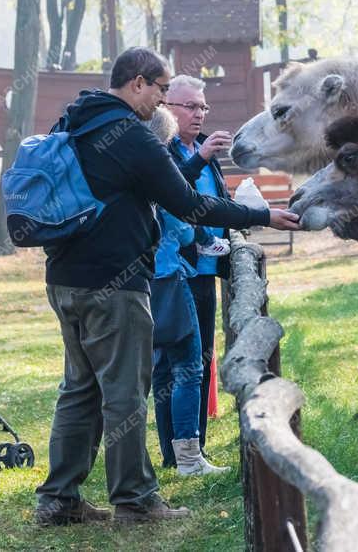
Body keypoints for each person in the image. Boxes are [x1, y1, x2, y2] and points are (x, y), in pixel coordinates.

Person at [34, 48, 300, 526]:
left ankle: (59, 500)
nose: (161, 102)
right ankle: (135, 501)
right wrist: (262, 215)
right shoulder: (131, 136)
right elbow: (189, 204)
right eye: (159, 90)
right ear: (138, 83)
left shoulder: (71, 121)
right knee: (124, 392)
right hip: (114, 285)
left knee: (79, 389)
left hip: (64, 279)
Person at [143, 106, 229, 476]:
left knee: (160, 369)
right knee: (189, 368)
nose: (200, 113)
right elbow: (181, 226)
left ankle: (168, 453)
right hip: (170, 278)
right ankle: (189, 457)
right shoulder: (160, 173)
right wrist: (206, 238)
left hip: (141, 282)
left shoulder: (127, 171)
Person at [163, 75, 233, 452]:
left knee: (203, 358)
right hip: (175, 272)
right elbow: (174, 195)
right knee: (173, 366)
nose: (198, 114)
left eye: (202, 107)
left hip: (207, 271)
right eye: (189, 106)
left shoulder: (205, 149)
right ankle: (177, 451)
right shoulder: (164, 149)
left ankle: (196, 448)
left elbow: (215, 201)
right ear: (166, 106)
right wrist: (201, 159)